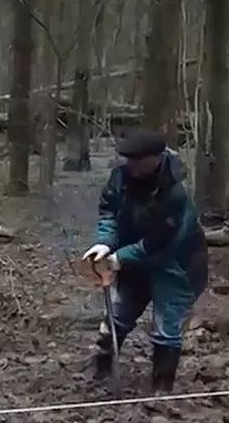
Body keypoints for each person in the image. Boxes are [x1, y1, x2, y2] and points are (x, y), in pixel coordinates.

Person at [82, 129, 208, 395]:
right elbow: (109, 211)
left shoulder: (175, 191)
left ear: (157, 158)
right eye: (129, 160)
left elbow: (160, 242)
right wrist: (104, 243)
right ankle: (101, 368)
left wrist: (120, 258)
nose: (133, 166)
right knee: (118, 315)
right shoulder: (121, 177)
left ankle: (162, 387)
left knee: (166, 325)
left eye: (139, 160)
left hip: (175, 264)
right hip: (133, 260)